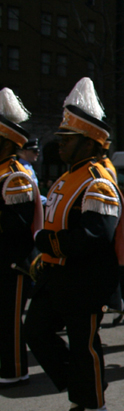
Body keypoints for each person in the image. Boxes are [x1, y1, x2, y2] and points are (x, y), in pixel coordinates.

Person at [25, 78, 124, 411]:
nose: (61, 144)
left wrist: (46, 240)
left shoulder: (97, 181)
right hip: (58, 274)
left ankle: (94, 405)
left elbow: (94, 237)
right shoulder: (68, 177)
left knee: (84, 344)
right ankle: (83, 388)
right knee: (36, 331)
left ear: (89, 142)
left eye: (68, 139)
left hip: (85, 279)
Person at [0, 88, 41, 388]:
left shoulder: (15, 175)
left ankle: (16, 369)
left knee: (11, 319)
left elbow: (18, 224)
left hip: (13, 260)